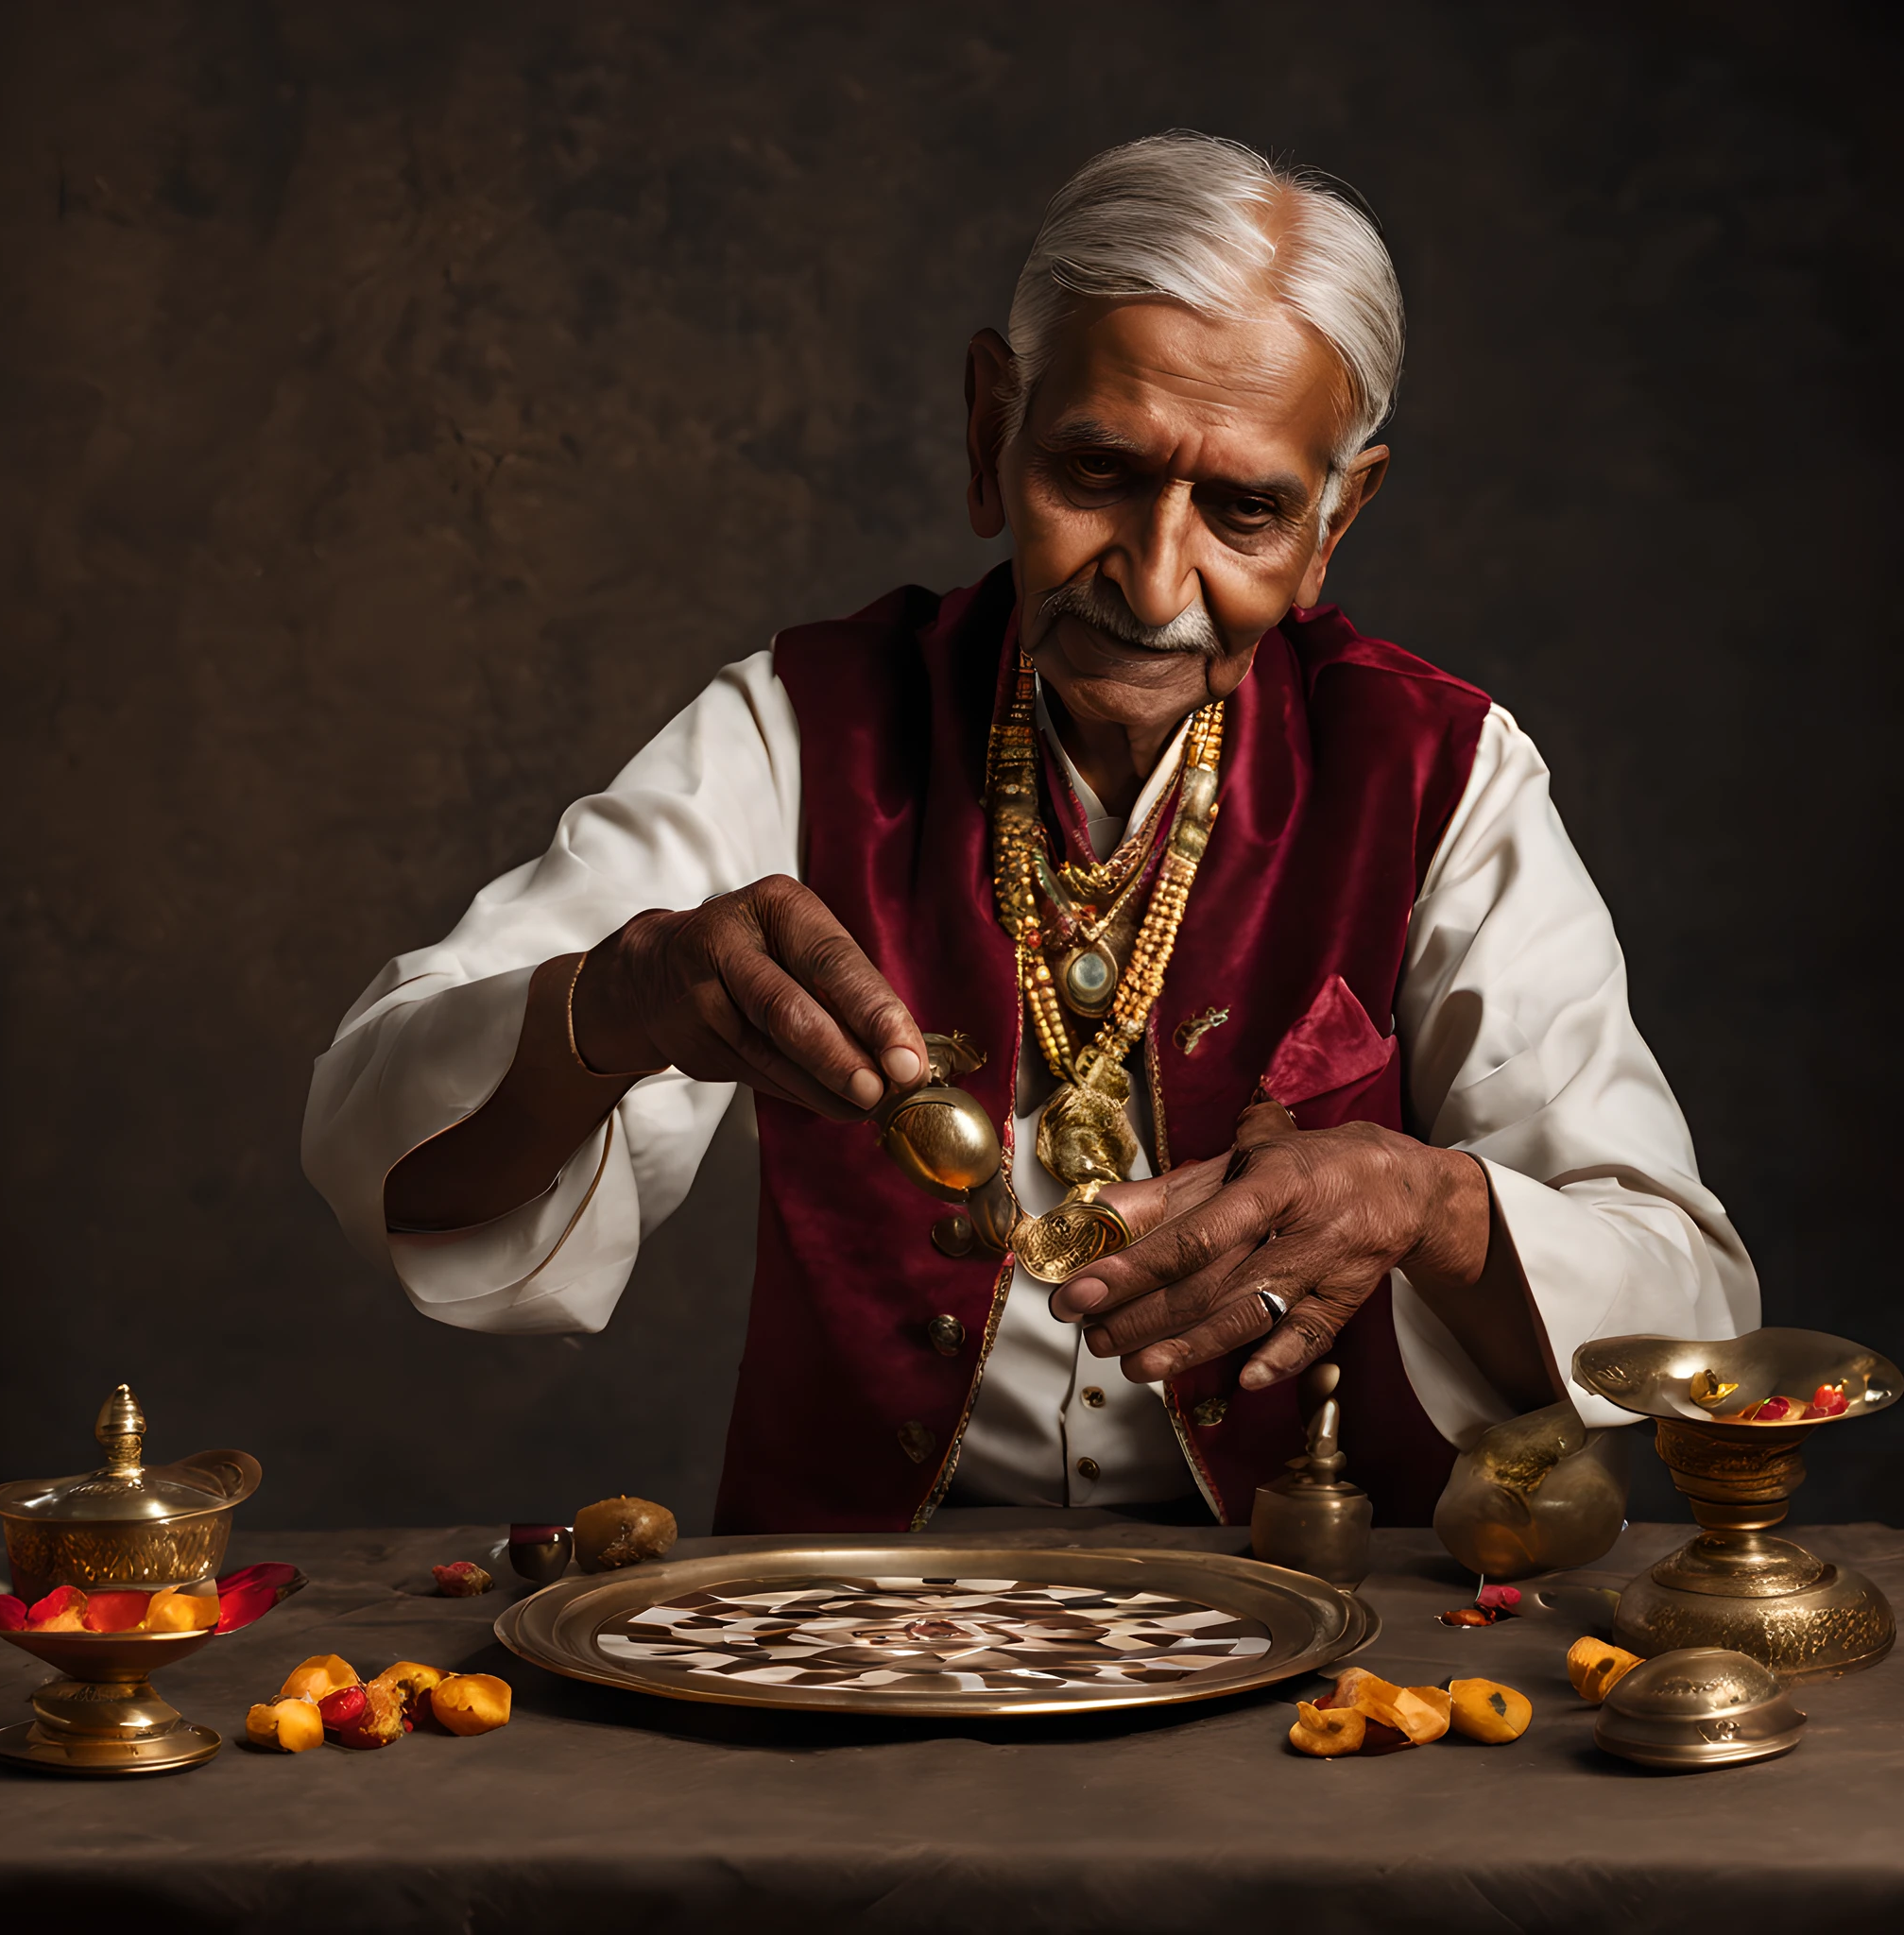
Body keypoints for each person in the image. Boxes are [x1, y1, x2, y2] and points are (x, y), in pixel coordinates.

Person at [303, 132, 1756, 1533]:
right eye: (1099, 472)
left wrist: (1429, 1202)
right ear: (993, 430)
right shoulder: (802, 730)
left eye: (1245, 508)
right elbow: (388, 1146)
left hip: (1320, 1638)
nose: (1153, 575)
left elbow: (1689, 1308)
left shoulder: (1442, 770)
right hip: (852, 1627)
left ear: (1334, 522)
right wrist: (613, 1009)